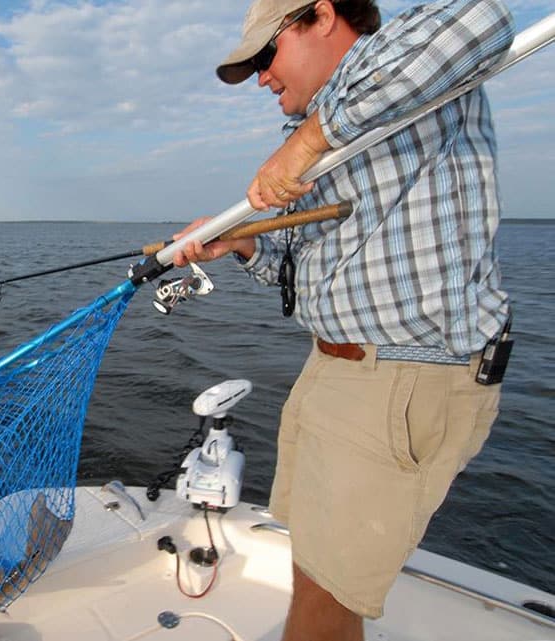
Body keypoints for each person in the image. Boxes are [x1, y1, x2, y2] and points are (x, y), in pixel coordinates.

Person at [172, 0, 515, 639]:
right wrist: (244, 245)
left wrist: (306, 143)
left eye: (265, 57)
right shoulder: (322, 135)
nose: (262, 79)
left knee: (328, 600)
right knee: (312, 562)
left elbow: (482, 18)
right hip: (334, 368)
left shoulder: (410, 74)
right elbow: (297, 273)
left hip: (402, 374)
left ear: (322, 16)